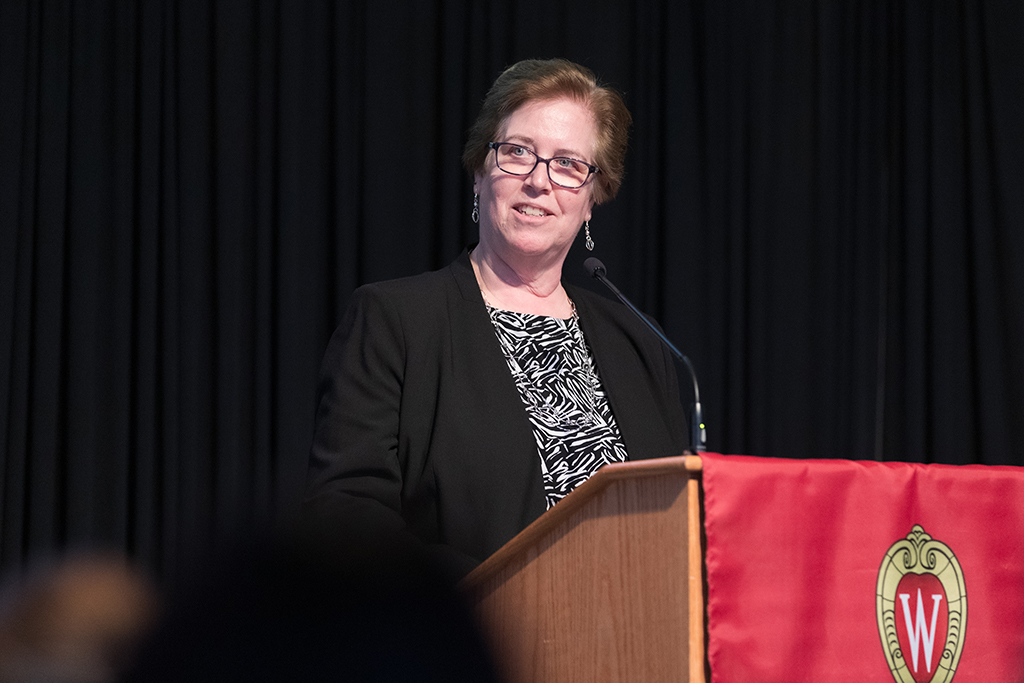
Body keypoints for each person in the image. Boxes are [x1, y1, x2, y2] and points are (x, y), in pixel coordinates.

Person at [304, 58, 687, 579]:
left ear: (592, 199)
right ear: (481, 173)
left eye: (569, 164)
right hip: (474, 647)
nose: (538, 181)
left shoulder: (640, 343)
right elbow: (347, 516)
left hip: (634, 647)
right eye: (518, 153)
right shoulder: (397, 322)